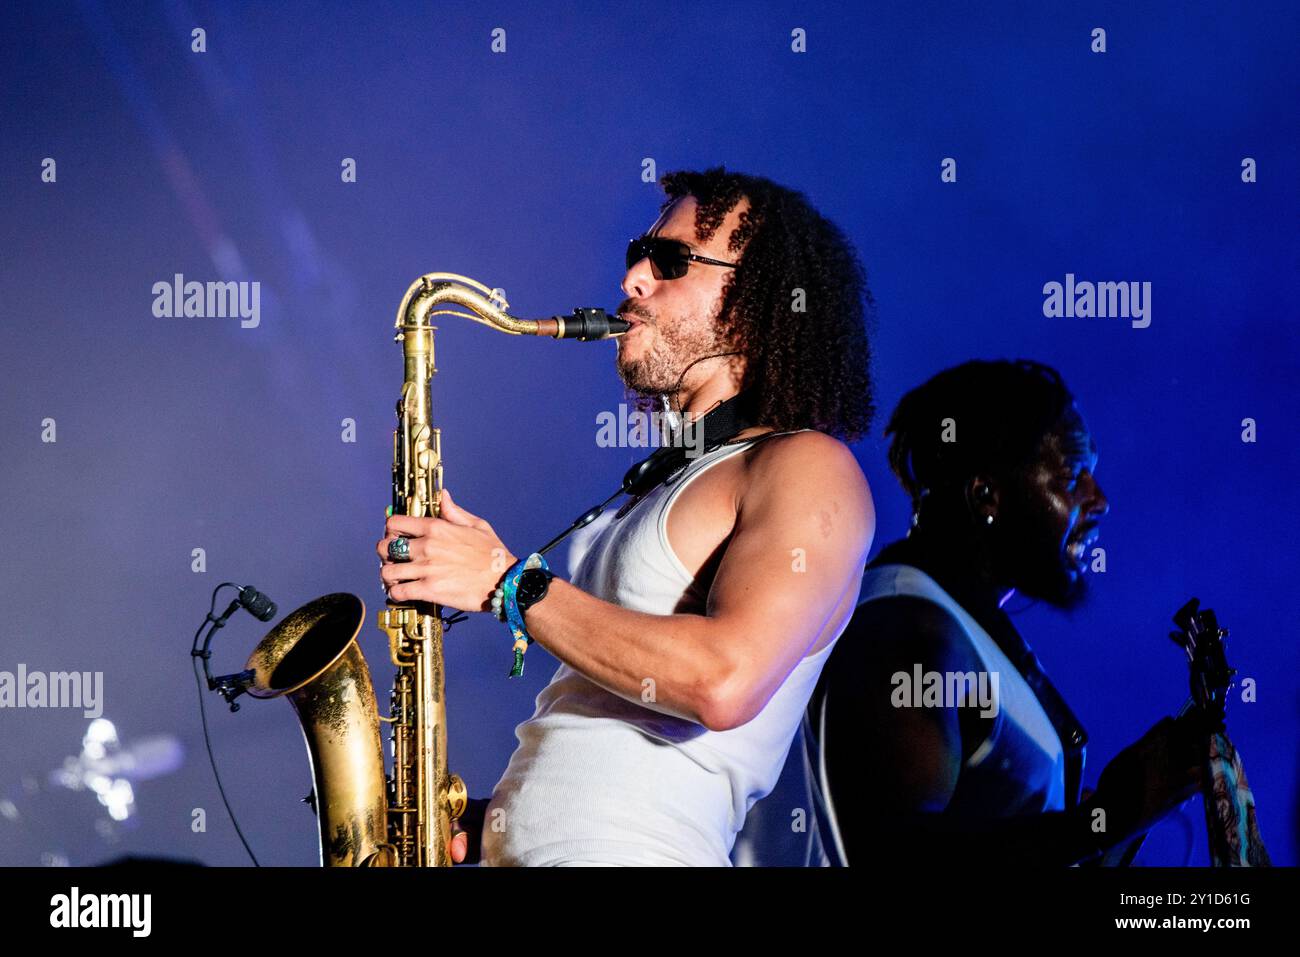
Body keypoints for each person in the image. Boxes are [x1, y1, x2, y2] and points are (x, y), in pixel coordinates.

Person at [377, 167, 877, 865]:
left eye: (671, 261)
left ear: (756, 299)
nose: (634, 280)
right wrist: (499, 819)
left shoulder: (808, 466)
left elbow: (723, 681)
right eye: (635, 257)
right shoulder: (663, 484)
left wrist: (508, 584)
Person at [804, 359, 1202, 866]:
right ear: (987, 495)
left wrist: (1128, 809)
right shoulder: (913, 631)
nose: (1099, 501)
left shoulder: (958, 625)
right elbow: (896, 857)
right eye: (1073, 475)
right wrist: (1103, 818)